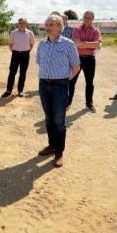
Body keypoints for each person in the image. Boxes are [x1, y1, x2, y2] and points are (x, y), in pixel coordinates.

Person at [36, 14, 81, 168]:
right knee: (48, 118)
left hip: (60, 86)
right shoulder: (42, 44)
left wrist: (64, 80)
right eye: (46, 24)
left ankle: (59, 152)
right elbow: (39, 62)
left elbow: (76, 67)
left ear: (60, 27)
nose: (47, 27)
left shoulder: (69, 44)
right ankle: (52, 145)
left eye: (51, 25)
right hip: (43, 84)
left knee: (59, 121)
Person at [69, 10, 102, 112]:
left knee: (89, 82)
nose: (87, 19)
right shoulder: (77, 29)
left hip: (90, 59)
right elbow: (76, 43)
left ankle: (89, 104)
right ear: (83, 18)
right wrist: (91, 44)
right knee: (71, 81)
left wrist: (83, 43)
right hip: (77, 58)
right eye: (85, 17)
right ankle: (68, 102)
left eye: (89, 17)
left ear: (93, 19)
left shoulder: (96, 31)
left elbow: (98, 45)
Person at [2, 17, 35, 97]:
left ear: (26, 24)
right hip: (15, 54)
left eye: (23, 23)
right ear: (18, 24)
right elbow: (10, 44)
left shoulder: (30, 33)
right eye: (20, 23)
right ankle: (8, 90)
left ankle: (20, 91)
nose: (21, 24)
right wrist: (15, 52)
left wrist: (26, 51)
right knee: (12, 72)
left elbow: (31, 44)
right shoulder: (13, 33)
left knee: (23, 73)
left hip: (25, 55)